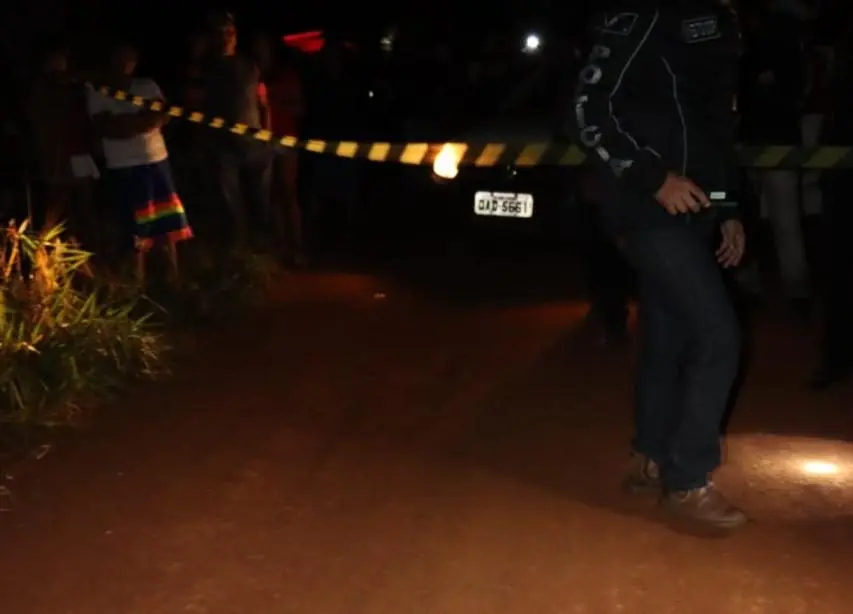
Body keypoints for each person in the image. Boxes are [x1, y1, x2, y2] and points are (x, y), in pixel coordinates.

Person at [571, 0, 747, 529]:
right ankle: (687, 480)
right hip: (643, 209)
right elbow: (587, 111)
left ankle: (650, 456)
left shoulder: (719, 21)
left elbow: (714, 131)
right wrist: (653, 180)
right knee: (718, 337)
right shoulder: (643, 15)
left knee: (668, 334)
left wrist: (728, 209)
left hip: (696, 210)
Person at [86, 41, 193, 282]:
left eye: (130, 58)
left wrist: (130, 121)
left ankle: (173, 280)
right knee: (135, 228)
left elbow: (161, 115)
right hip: (124, 166)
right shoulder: (97, 90)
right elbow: (108, 127)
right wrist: (143, 120)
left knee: (167, 223)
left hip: (156, 161)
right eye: (120, 57)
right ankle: (138, 284)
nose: (125, 63)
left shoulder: (146, 86)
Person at [196, 11, 273, 251]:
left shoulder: (250, 65)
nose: (226, 37)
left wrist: (267, 137)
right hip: (222, 145)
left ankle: (260, 249)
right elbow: (197, 105)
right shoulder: (206, 68)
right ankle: (237, 249)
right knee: (229, 201)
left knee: (260, 200)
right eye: (220, 33)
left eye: (229, 32)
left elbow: (263, 103)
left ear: (236, 36)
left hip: (254, 143)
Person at [25, 40, 100, 246]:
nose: (62, 63)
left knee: (83, 203)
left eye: (63, 59)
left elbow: (83, 116)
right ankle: (45, 245)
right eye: (57, 59)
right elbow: (45, 124)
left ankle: (85, 245)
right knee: (58, 203)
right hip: (59, 155)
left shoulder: (74, 86)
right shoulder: (44, 89)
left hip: (78, 150)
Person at [253, 33, 307, 265]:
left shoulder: (287, 76)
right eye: (257, 47)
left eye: (264, 47)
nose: (260, 52)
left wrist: (272, 102)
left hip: (285, 139)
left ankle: (297, 246)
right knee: (271, 195)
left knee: (287, 191)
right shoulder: (253, 74)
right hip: (261, 141)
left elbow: (299, 108)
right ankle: (279, 248)